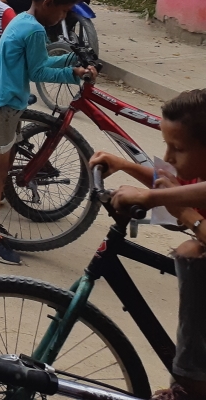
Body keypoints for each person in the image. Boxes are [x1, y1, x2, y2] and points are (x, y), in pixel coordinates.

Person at [89, 89, 206, 400]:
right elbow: (171, 186)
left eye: (177, 148)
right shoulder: (196, 172)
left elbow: (174, 198)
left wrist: (183, 213)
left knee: (193, 254)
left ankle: (191, 386)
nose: (168, 157)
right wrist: (124, 165)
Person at [0, 0, 94, 265]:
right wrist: (73, 73)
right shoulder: (35, 31)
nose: (63, 17)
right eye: (63, 11)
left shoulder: (22, 20)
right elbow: (39, 72)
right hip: (3, 104)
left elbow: (37, 62)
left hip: (2, 98)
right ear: (48, 3)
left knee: (2, 164)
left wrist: (70, 62)